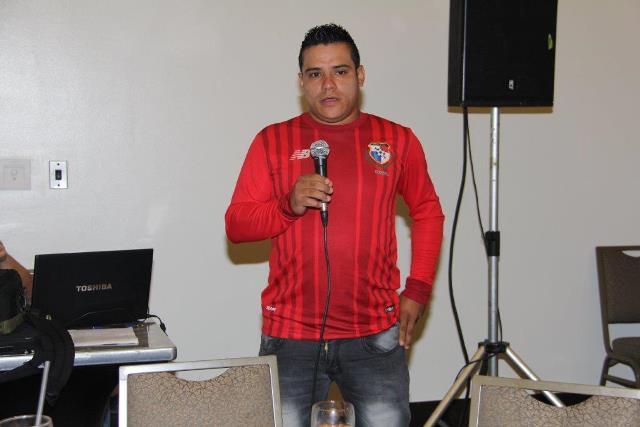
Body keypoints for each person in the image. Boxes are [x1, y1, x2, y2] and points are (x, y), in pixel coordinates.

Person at [225, 23, 444, 427]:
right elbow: (236, 226)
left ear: (360, 75)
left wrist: (418, 289)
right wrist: (288, 205)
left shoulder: (397, 140)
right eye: (315, 74)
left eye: (340, 71)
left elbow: (428, 210)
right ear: (301, 82)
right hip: (290, 336)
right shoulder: (272, 141)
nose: (328, 85)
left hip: (375, 335)